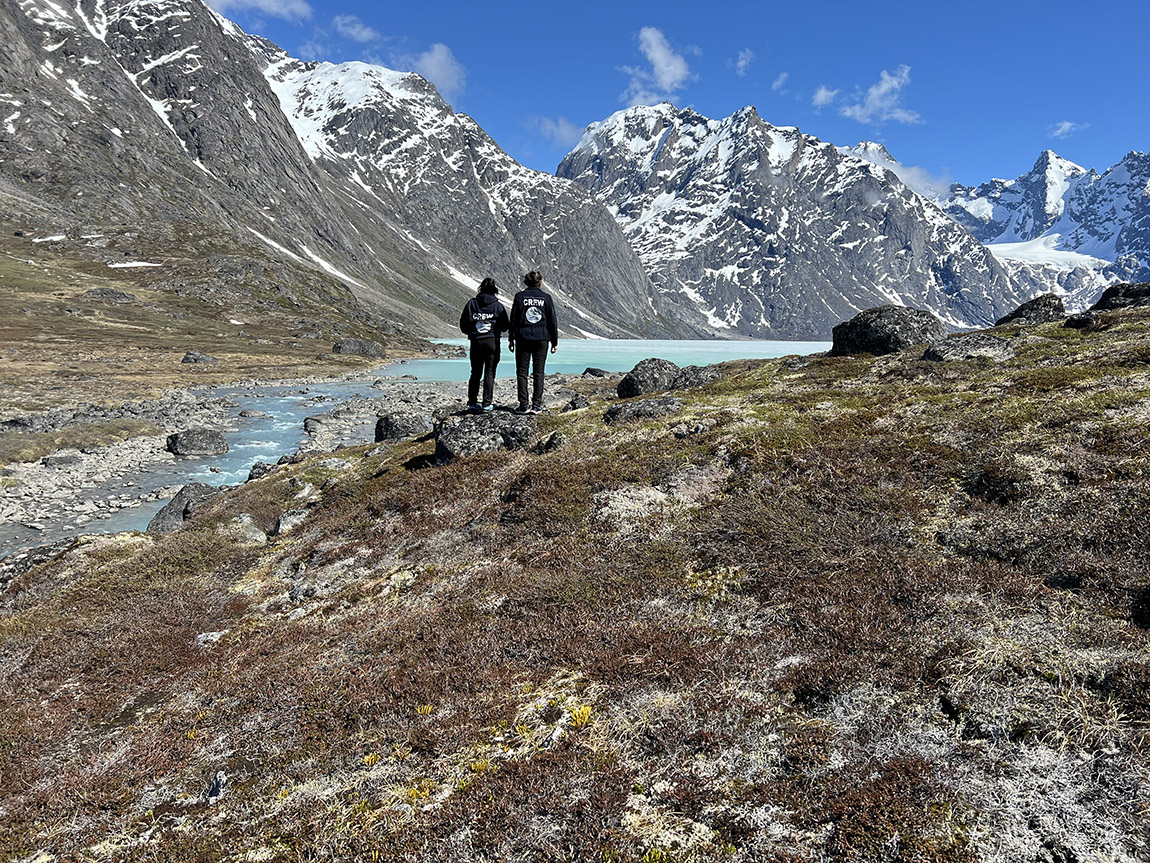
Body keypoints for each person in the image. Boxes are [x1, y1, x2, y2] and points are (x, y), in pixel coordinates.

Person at [508, 269, 558, 414]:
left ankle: (523, 405)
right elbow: (552, 321)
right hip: (541, 339)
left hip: (523, 338)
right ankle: (536, 405)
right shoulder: (546, 298)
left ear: (526, 283)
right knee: (539, 372)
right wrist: (554, 341)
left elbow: (514, 320)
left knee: (522, 373)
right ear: (540, 283)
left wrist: (511, 338)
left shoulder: (519, 297)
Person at [459, 277, 509, 412]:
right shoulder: (498, 306)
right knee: (490, 372)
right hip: (492, 342)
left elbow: (463, 324)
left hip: (476, 342)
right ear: (494, 290)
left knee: (475, 372)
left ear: (480, 288)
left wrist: (472, 332)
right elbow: (505, 326)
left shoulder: (472, 304)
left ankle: (473, 403)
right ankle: (487, 403)